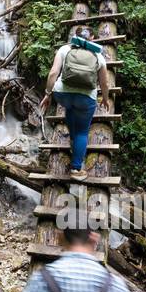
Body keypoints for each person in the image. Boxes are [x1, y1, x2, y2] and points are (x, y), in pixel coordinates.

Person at [39, 28, 108, 179]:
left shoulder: (65, 49)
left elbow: (53, 73)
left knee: (70, 108)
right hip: (86, 98)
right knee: (82, 132)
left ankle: (72, 139)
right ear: (92, 38)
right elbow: (104, 83)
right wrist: (106, 98)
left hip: (62, 94)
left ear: (75, 37)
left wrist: (48, 94)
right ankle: (76, 169)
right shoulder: (98, 55)